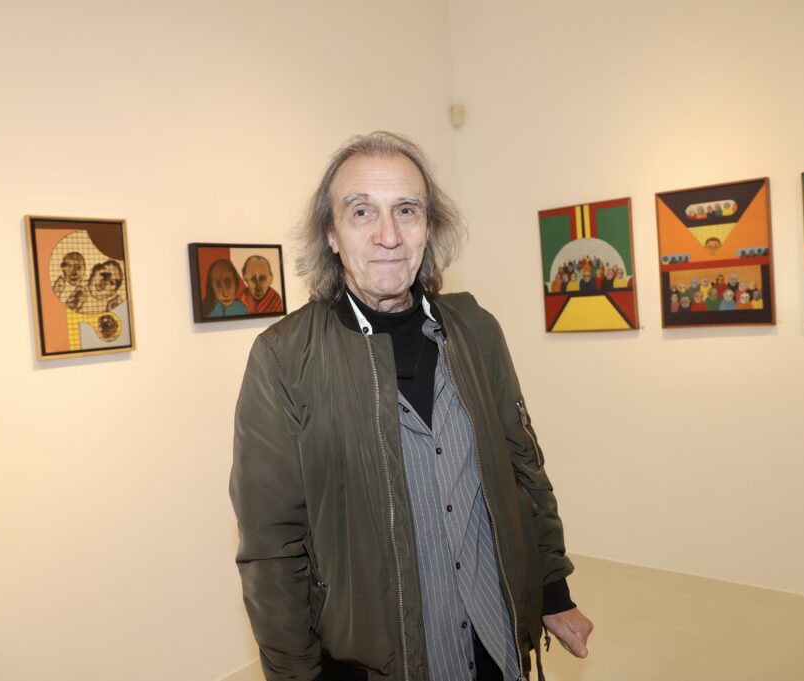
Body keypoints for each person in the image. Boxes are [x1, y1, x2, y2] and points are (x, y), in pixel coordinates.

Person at [230, 132, 592, 681]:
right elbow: (271, 547)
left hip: (495, 642)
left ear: (429, 226)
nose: (389, 235)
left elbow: (524, 470)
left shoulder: (475, 330)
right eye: (361, 212)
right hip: (380, 663)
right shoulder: (283, 358)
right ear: (330, 234)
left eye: (407, 210)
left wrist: (552, 591)